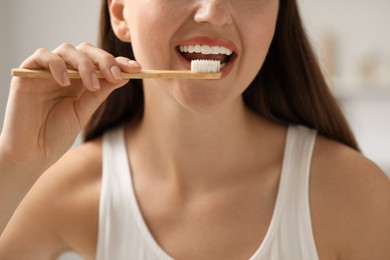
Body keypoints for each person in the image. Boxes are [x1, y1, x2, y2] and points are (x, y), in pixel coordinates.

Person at [0, 0, 389, 259]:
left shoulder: (354, 195)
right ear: (120, 11)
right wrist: (15, 161)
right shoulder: (71, 189)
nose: (214, 12)